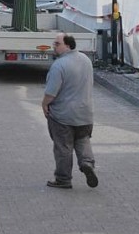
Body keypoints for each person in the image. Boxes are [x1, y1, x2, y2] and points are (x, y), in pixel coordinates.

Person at [41, 33, 98, 189]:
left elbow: (51, 92)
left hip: (63, 115)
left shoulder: (59, 65)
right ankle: (87, 163)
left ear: (68, 45)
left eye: (57, 43)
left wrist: (44, 105)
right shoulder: (86, 61)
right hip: (85, 113)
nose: (54, 46)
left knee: (63, 147)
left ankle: (63, 179)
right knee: (83, 139)